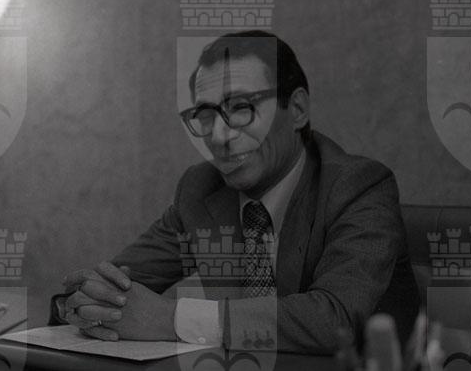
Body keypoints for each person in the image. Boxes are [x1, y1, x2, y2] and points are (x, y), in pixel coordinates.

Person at [54, 30, 419, 353]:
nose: (219, 136)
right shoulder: (200, 189)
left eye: (241, 107)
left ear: (297, 109)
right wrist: (82, 302)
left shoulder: (358, 186)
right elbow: (116, 284)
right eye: (206, 115)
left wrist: (172, 319)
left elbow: (335, 320)